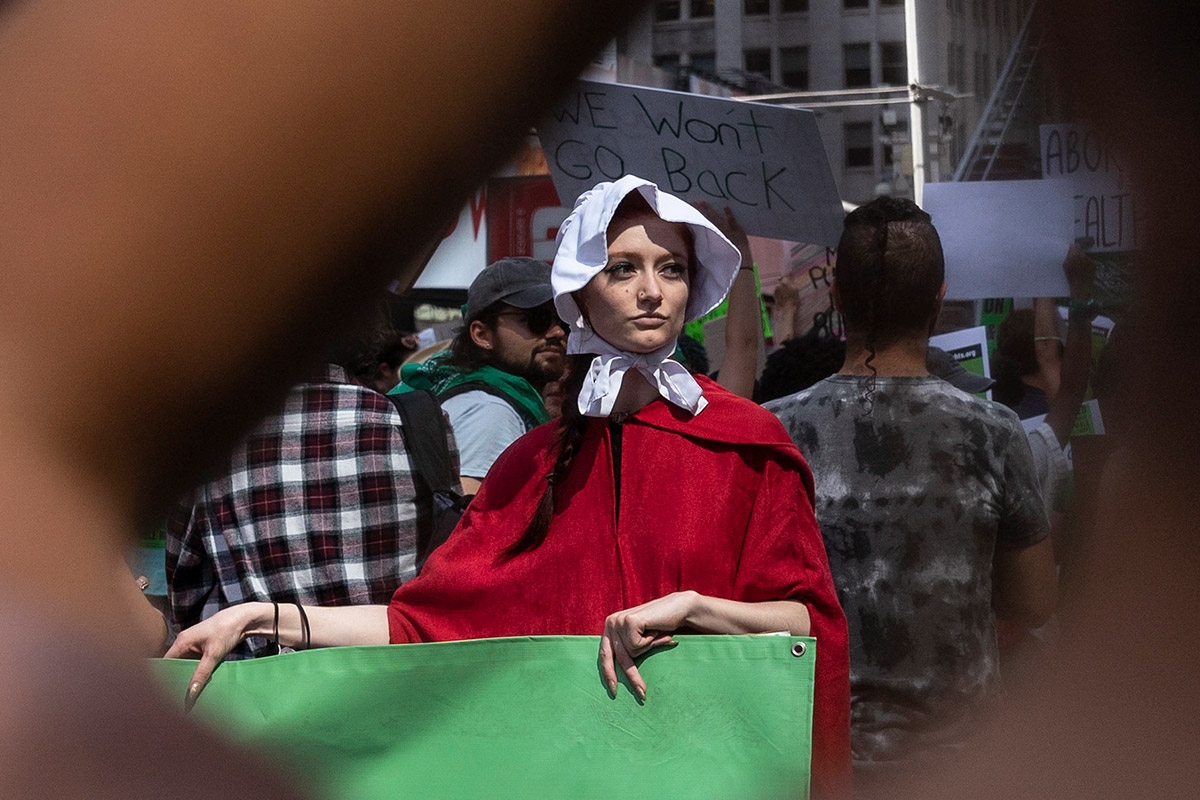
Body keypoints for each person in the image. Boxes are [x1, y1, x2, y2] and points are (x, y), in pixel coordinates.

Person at [166, 175, 853, 798]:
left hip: (709, 777)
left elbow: (808, 627)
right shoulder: (529, 467)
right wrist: (267, 617)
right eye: (623, 269)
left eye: (672, 269)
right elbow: (422, 624)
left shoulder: (749, 444)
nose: (653, 290)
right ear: (580, 290)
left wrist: (697, 608)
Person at [765, 197, 1057, 788]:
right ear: (938, 299)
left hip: (815, 761)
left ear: (839, 299)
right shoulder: (994, 433)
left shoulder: (775, 433)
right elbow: (1034, 603)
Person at [166, 350, 457, 658]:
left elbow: (187, 595)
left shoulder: (205, 443)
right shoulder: (416, 421)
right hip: (401, 677)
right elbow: (449, 561)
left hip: (263, 688)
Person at [390, 257, 567, 494]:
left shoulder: (473, 393)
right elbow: (467, 522)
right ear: (482, 334)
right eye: (537, 320)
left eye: (565, 320)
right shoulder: (491, 412)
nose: (556, 332)